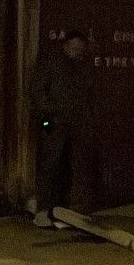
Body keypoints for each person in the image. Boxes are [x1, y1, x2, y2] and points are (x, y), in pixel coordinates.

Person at [29, 30, 95, 230]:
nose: (77, 52)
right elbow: (38, 91)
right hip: (54, 122)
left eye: (80, 49)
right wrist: (49, 113)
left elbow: (88, 92)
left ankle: (63, 209)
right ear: (65, 45)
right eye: (74, 48)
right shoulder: (50, 61)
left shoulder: (83, 65)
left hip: (75, 123)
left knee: (70, 166)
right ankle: (43, 209)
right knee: (50, 164)